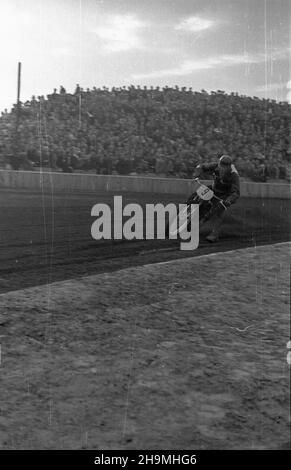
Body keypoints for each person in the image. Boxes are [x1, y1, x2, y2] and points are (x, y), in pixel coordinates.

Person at [194, 154, 240, 242]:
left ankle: (214, 235)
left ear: (229, 167)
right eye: (221, 165)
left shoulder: (234, 175)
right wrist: (198, 172)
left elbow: (236, 193)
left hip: (225, 195)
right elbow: (202, 166)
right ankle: (190, 209)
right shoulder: (215, 166)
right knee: (199, 194)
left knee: (218, 210)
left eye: (225, 167)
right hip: (214, 189)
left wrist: (228, 201)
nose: (222, 168)